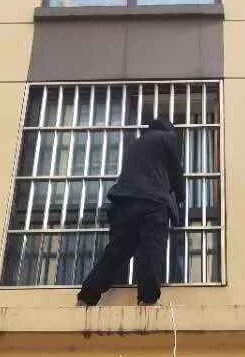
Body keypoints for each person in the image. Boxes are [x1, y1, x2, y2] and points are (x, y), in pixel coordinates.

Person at [77, 117, 184, 307]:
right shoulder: (167, 138)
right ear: (168, 130)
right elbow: (176, 171)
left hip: (123, 203)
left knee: (116, 251)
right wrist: (180, 197)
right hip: (152, 202)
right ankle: (147, 299)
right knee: (152, 248)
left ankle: (87, 296)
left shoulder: (134, 144)